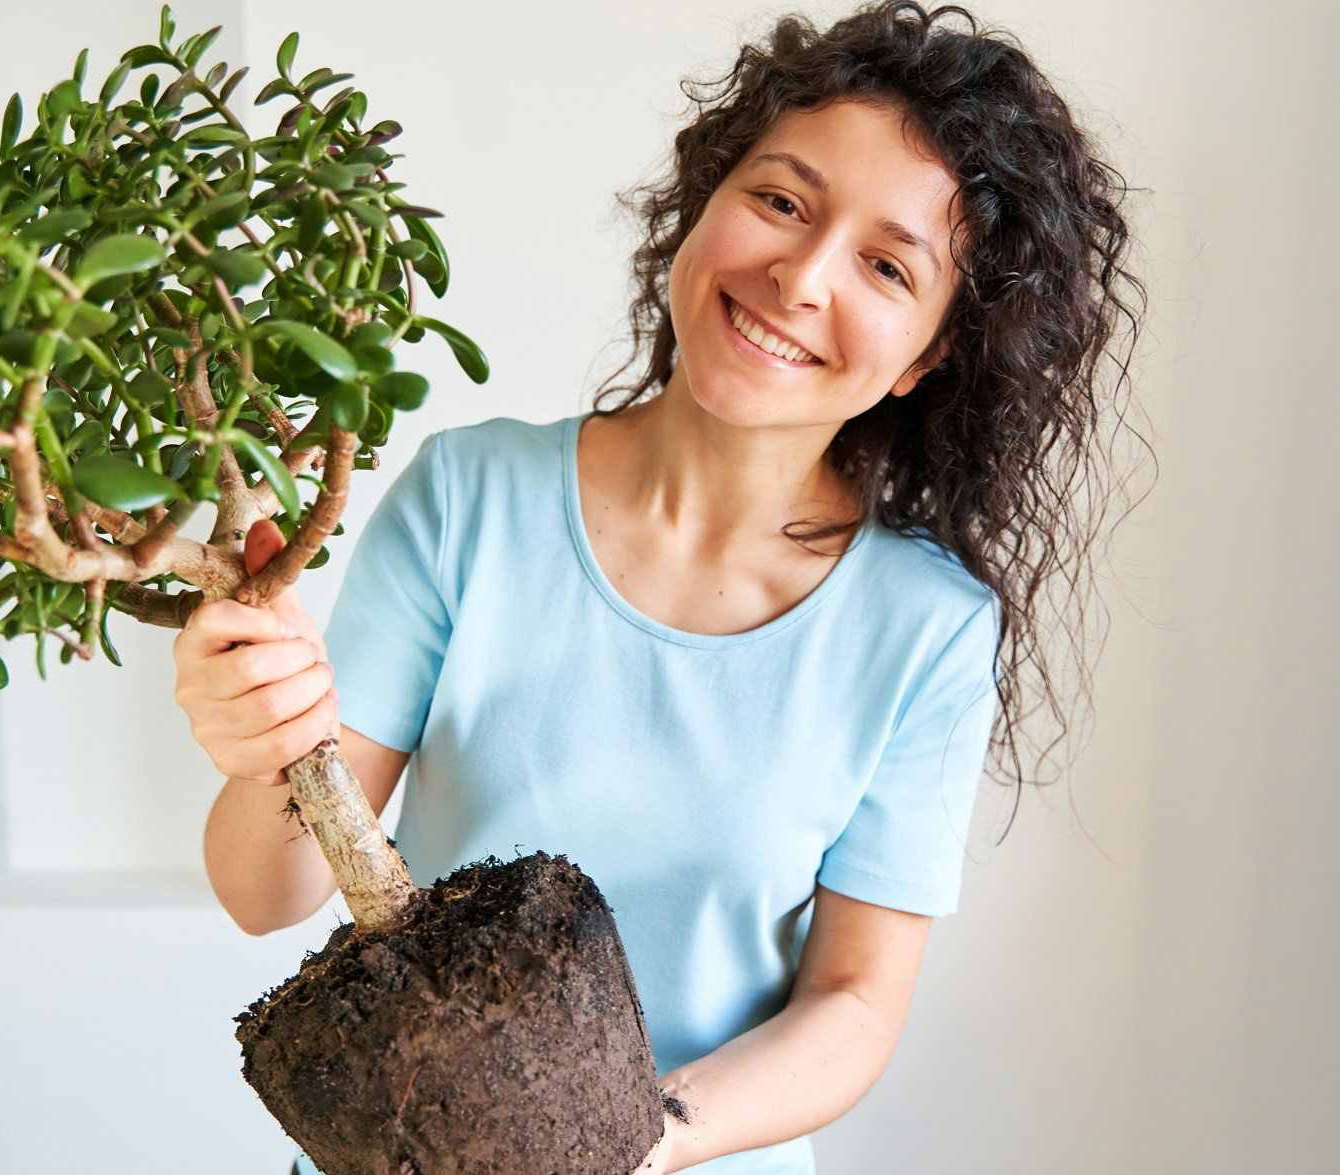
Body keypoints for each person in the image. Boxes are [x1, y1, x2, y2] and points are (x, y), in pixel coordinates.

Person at [173, 2, 1151, 1171]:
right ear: (705, 202)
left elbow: (850, 1003)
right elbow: (267, 889)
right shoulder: (467, 499)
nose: (799, 275)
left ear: (932, 353)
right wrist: (256, 747)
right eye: (781, 200)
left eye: (887, 264)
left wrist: (617, 1140)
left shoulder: (926, 631)